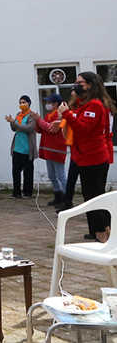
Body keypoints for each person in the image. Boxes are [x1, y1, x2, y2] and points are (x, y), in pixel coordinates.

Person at [58, 72, 115, 243]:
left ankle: (102, 238)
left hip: (93, 158)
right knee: (96, 197)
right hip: (85, 157)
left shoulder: (95, 105)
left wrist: (67, 114)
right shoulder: (85, 105)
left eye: (80, 83)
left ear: (90, 85)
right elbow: (79, 123)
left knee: (92, 200)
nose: (76, 86)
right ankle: (108, 235)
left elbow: (84, 128)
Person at [30, 94, 68, 207]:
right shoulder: (48, 115)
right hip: (48, 149)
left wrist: (39, 120)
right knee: (52, 175)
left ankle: (67, 197)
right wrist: (37, 121)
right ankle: (58, 195)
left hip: (57, 149)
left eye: (49, 102)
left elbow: (50, 129)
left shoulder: (59, 115)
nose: (47, 105)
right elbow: (40, 129)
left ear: (56, 104)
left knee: (61, 174)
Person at [5, 95, 37, 199]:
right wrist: (11, 123)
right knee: (15, 171)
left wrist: (14, 122)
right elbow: (15, 129)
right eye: (20, 102)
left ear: (29, 103)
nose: (22, 104)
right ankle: (16, 192)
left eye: (24, 102)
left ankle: (27, 192)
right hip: (17, 147)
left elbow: (28, 128)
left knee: (28, 172)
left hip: (27, 148)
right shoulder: (19, 115)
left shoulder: (32, 116)